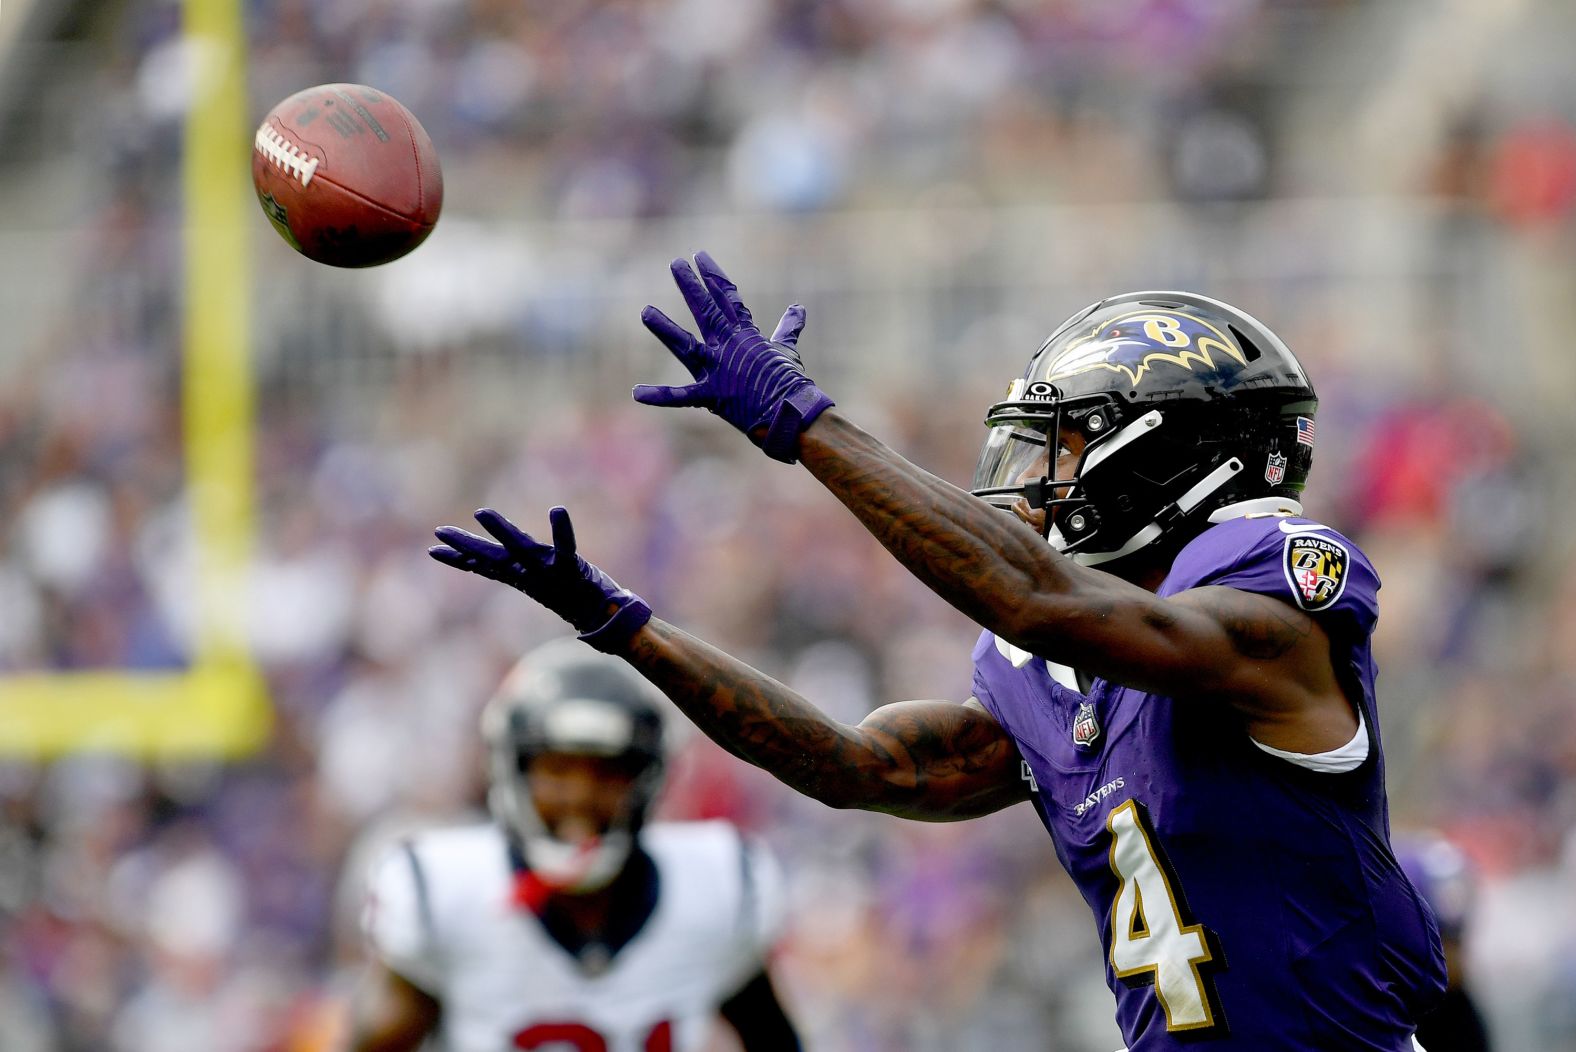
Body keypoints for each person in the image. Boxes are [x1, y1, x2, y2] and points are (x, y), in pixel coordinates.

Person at [430, 252, 1448, 1049]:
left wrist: (807, 425)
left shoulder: (1276, 603)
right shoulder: (1055, 673)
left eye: (1072, 442)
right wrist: (627, 625)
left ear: (1170, 451)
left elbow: (1035, 596)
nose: (1043, 477)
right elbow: (854, 765)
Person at [346, 638, 802, 1052]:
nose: (581, 796)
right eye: (557, 771)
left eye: (608, 772)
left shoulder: (716, 887)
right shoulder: (445, 893)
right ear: (513, 771)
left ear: (647, 779)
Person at [1394, 834, 1494, 1052]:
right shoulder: (1382, 1019)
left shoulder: (1461, 1015)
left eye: (1455, 942)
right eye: (1441, 943)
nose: (1452, 958)